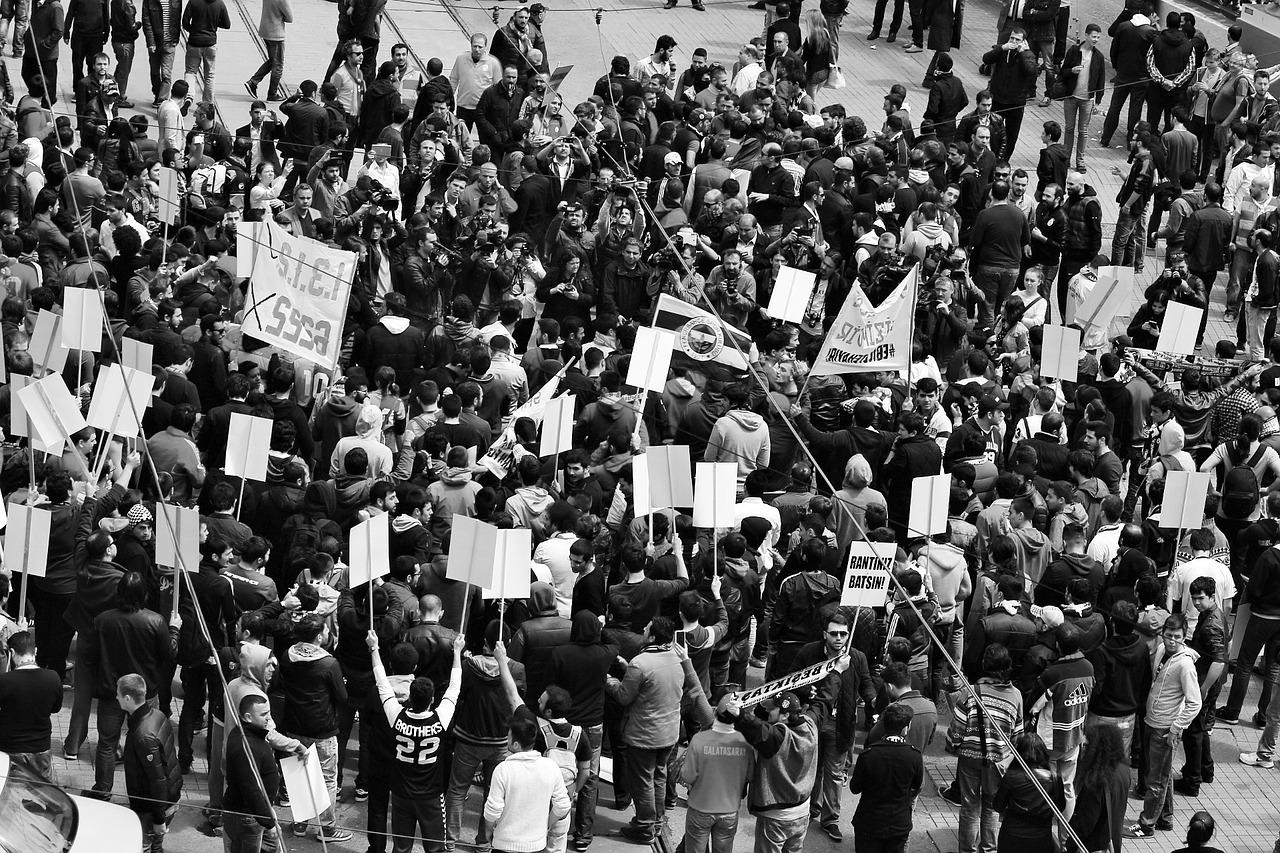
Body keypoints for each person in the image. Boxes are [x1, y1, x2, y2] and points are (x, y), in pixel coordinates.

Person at [367, 627, 463, 853]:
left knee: (401, 848)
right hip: (431, 795)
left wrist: (374, 648)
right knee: (435, 848)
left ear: (410, 697)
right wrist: (457, 652)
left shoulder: (396, 716)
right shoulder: (440, 719)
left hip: (401, 794)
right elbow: (454, 687)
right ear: (432, 700)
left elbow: (382, 681)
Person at [1126, 614, 1201, 838]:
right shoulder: (1160, 650)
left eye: (1177, 637)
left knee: (1156, 780)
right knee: (1161, 775)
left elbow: (1195, 703)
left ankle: (1146, 824)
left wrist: (1176, 728)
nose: (1171, 641)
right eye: (1168, 635)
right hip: (1151, 720)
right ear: (1162, 634)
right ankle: (1165, 818)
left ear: (1184, 636)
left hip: (1165, 729)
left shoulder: (1186, 664)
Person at [682, 694, 755, 853]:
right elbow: (750, 776)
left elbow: (687, 776)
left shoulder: (700, 740)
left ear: (716, 714)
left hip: (700, 808)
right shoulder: (745, 744)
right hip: (728, 811)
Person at [118, 673, 182, 853]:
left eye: (118, 694)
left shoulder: (143, 736)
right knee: (156, 847)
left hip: (152, 810)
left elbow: (157, 780)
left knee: (143, 847)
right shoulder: (157, 715)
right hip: (166, 801)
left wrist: (159, 819)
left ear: (128, 698)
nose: (116, 697)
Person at [849, 702, 925, 853]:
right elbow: (917, 786)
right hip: (899, 824)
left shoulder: (868, 755)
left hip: (869, 822)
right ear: (905, 728)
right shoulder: (914, 756)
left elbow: (854, 788)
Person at [0, 631, 64, 782]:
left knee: (13, 793)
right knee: (42, 793)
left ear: (12, 652)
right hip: (40, 747)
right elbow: (55, 708)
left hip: (11, 747)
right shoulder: (53, 677)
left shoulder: (4, 681)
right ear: (35, 651)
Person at [994, 733, 1066, 853]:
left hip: (1012, 835)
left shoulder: (1011, 776)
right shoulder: (1054, 778)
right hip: (1041, 837)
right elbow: (1061, 807)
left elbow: (997, 805)